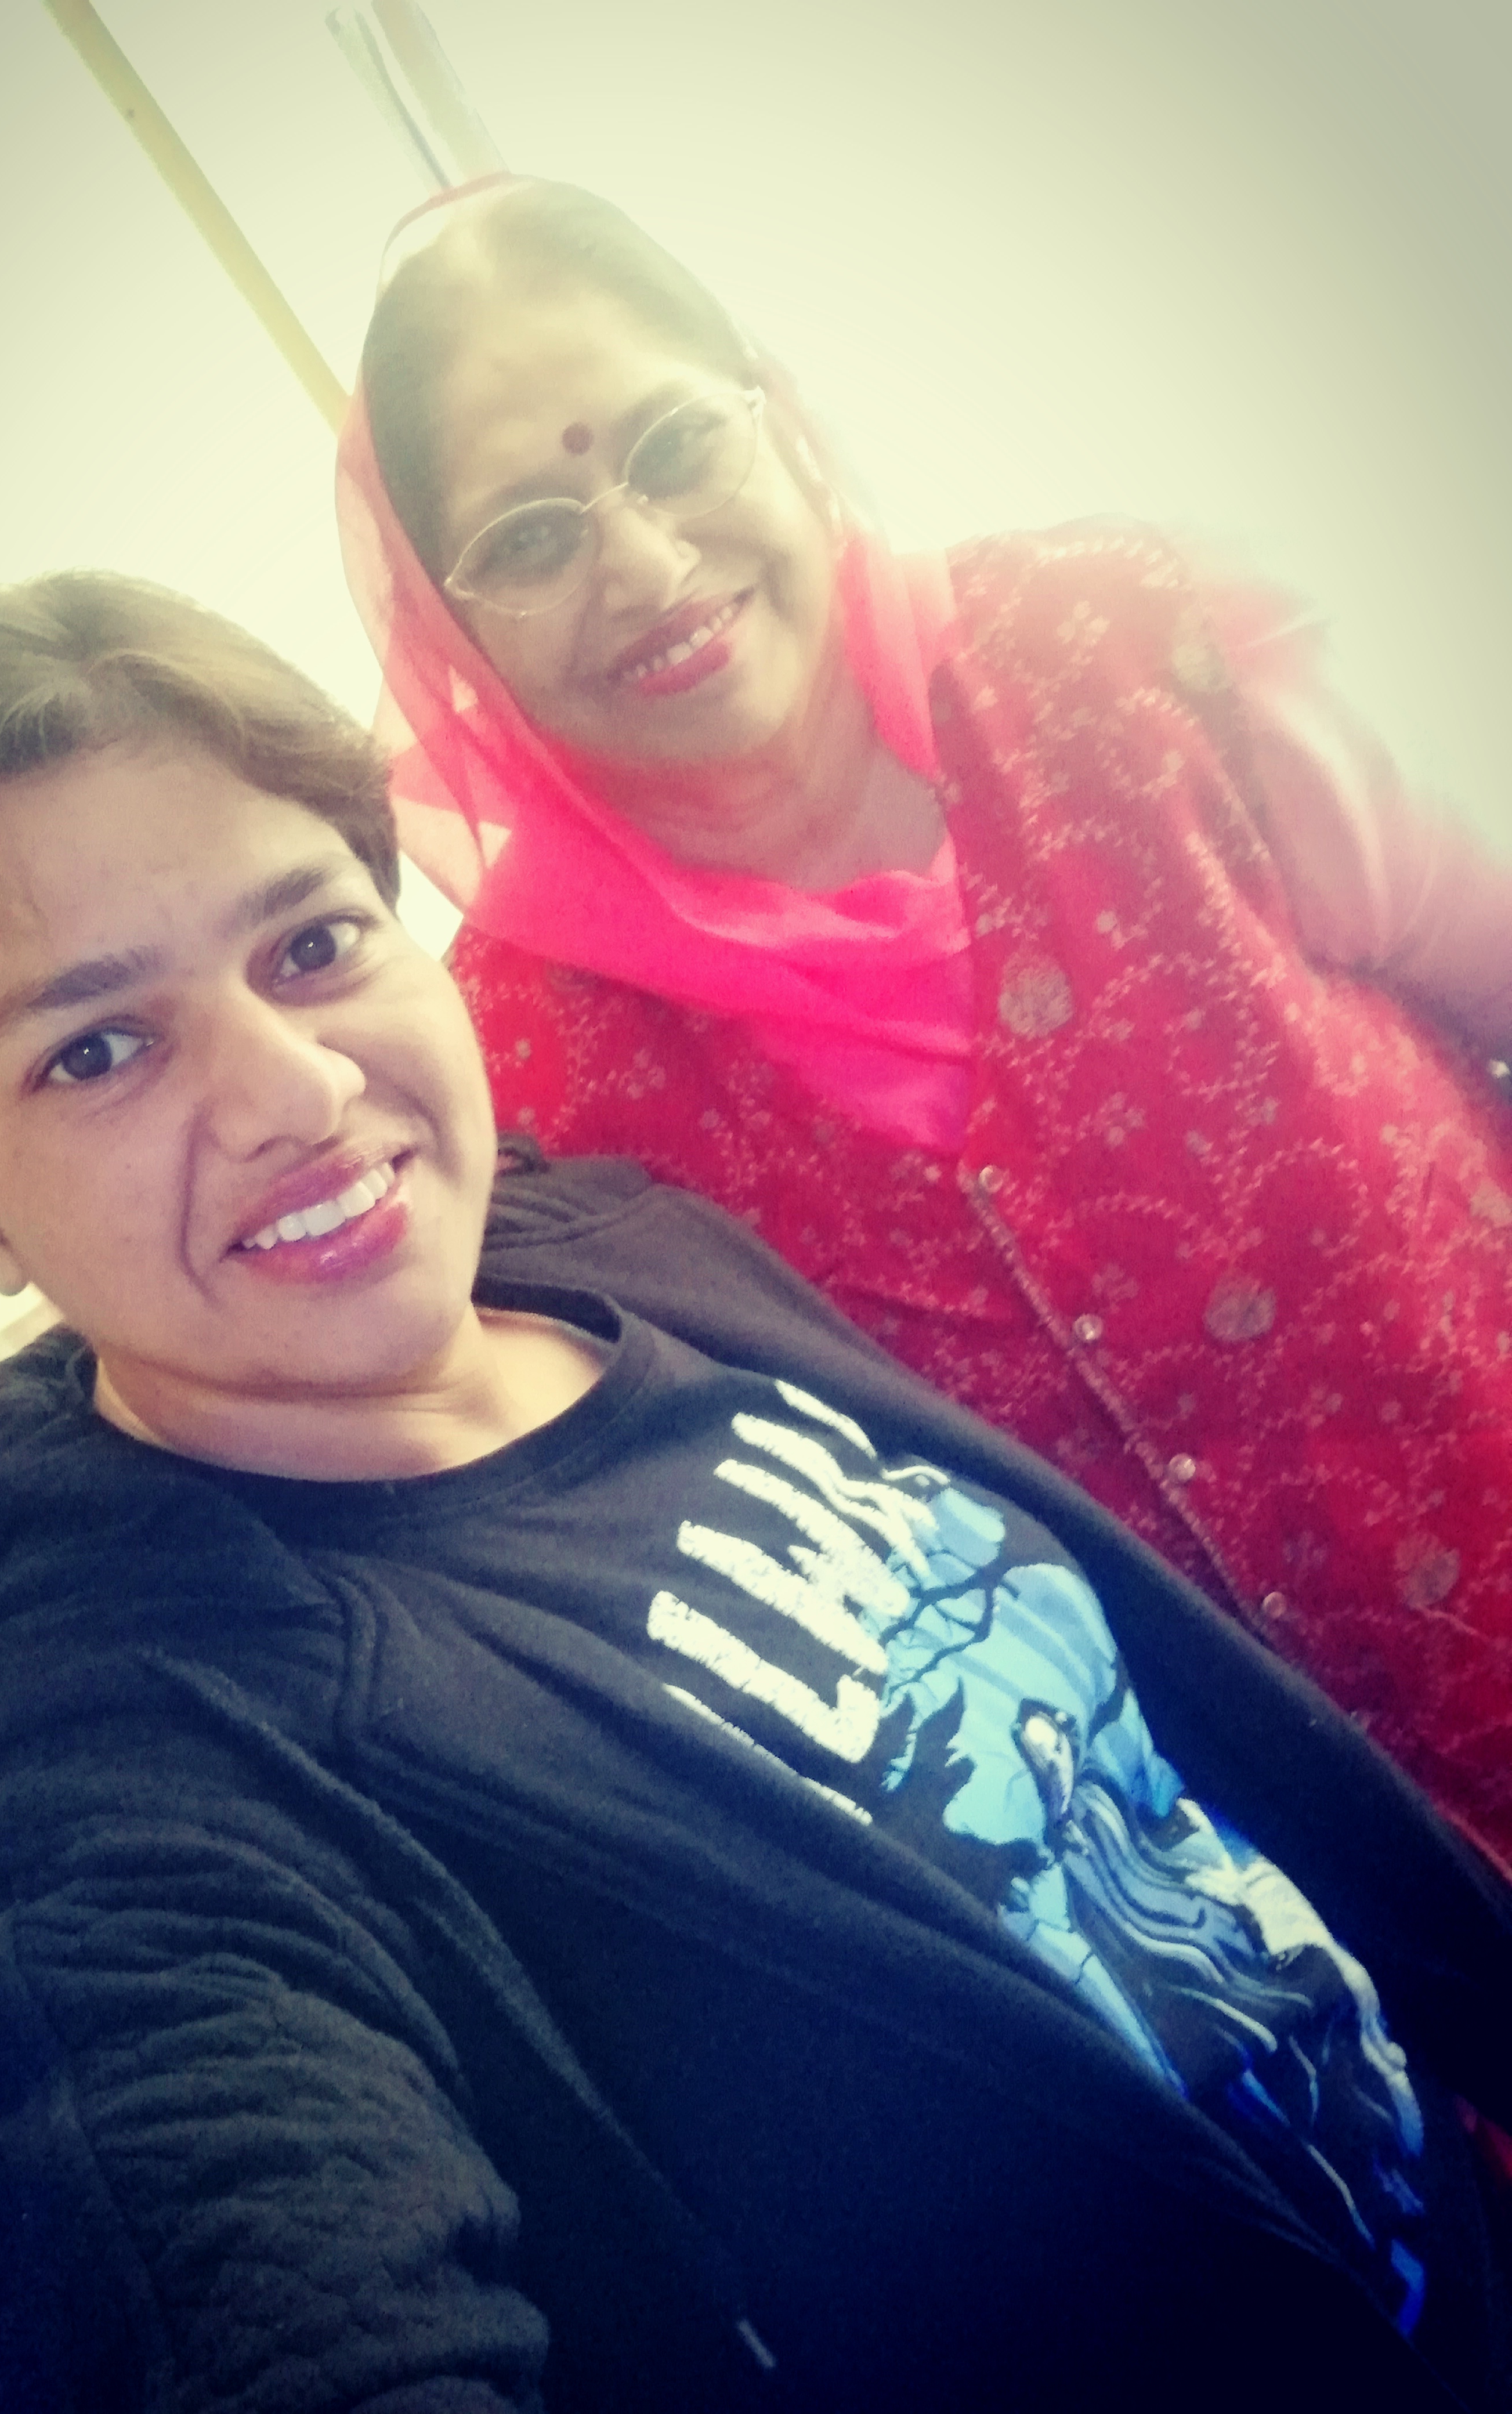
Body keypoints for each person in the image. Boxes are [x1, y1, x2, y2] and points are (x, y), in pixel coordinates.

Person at [0, 572, 1512, 2412]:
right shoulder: (135, 1804)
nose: (293, 1089)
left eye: (313, 944)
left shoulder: (610, 1245)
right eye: (96, 1050)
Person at [337, 176, 1512, 1872]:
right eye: (528, 538)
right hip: (1258, 1918)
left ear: (778, 416)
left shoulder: (1126, 652)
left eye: (675, 444)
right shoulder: (518, 1081)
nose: (646, 566)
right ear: (453, 633)